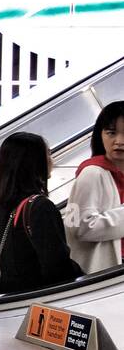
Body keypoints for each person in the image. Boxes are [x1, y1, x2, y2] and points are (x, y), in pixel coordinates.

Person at [0, 131, 82, 294]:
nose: (52, 160)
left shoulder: (0, 208)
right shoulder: (40, 207)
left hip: (14, 300)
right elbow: (58, 267)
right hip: (42, 301)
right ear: (35, 162)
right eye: (48, 153)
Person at [66, 100, 124, 274]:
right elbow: (79, 227)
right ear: (100, 135)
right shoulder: (92, 173)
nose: (119, 141)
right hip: (105, 275)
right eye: (111, 133)